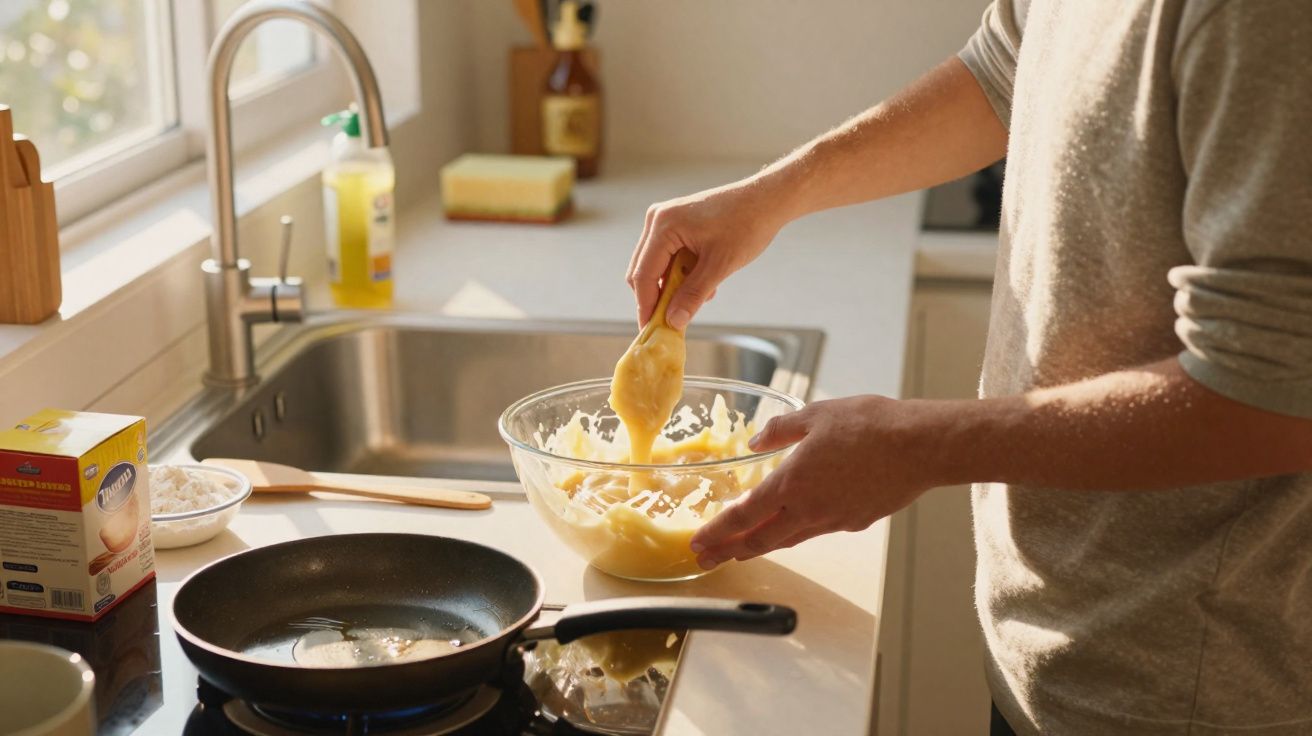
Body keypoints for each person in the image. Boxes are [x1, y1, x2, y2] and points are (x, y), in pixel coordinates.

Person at [624, 1, 1312, 734]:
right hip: (1053, 650)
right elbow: (999, 72)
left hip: (1184, 693)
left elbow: (1277, 396)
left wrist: (918, 444)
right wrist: (770, 198)